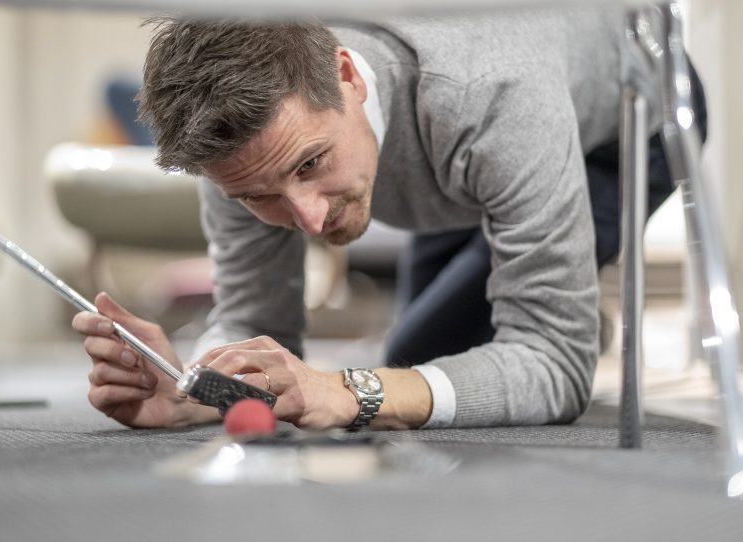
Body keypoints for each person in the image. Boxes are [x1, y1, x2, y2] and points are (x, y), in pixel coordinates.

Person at [72, 8, 706, 431]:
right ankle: (522, 267)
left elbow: (555, 366)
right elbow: (260, 328)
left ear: (348, 77)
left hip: (623, 123)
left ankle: (560, 287)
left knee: (415, 365)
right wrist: (191, 390)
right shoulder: (241, 155)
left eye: (311, 162)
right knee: (418, 370)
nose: (310, 220)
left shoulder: (494, 96)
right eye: (257, 197)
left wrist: (352, 390)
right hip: (457, 157)